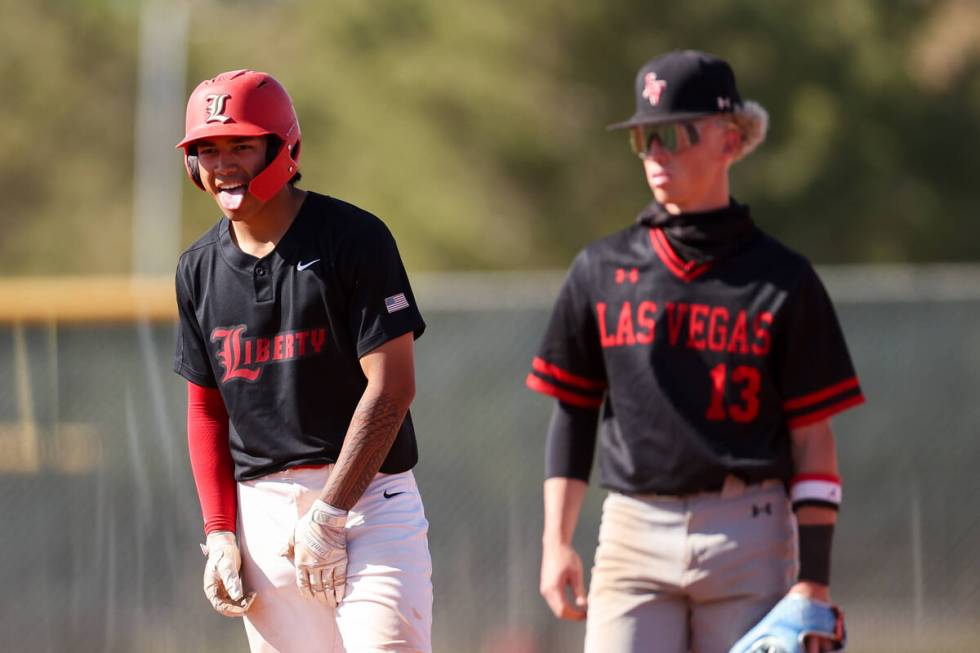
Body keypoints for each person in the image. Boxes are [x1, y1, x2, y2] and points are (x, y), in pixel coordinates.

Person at [526, 50, 863, 653]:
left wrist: (813, 581)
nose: (657, 152)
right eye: (645, 139)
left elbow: (814, 438)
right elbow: (574, 412)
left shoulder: (783, 279)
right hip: (631, 532)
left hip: (750, 534)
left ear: (732, 141)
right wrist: (556, 541)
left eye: (676, 134)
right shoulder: (600, 268)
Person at [173, 69, 432, 652]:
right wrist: (219, 533)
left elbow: (391, 389)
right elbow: (206, 410)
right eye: (207, 150)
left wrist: (331, 511)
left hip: (369, 503)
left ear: (283, 148)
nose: (223, 163)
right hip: (261, 515)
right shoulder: (198, 269)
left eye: (241, 144)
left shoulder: (353, 238)